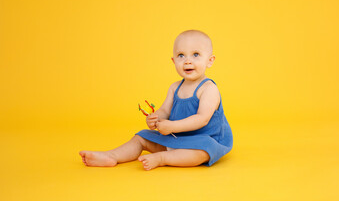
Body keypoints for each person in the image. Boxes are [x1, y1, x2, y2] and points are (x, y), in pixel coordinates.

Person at [79, 30, 233, 170]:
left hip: (203, 139)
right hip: (177, 138)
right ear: (174, 61)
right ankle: (112, 156)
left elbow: (202, 119)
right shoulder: (174, 88)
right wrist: (156, 118)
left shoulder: (208, 89)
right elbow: (165, 110)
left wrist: (171, 126)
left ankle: (162, 158)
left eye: (196, 55)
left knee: (203, 150)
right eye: (181, 55)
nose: (187, 61)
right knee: (141, 137)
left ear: (210, 61)